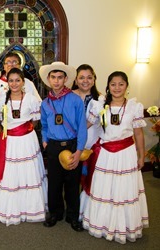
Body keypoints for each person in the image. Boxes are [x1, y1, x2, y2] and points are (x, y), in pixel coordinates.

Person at [81, 71, 149, 244]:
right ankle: (102, 224)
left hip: (126, 153)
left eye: (121, 84)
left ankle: (123, 227)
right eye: (113, 84)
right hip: (106, 154)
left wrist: (142, 156)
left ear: (127, 86)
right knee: (105, 189)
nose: (117, 87)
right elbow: (86, 125)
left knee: (123, 190)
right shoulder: (100, 105)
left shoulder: (134, 107)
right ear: (108, 86)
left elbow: (139, 134)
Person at [0, 68, 47, 226]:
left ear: (23, 82)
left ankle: (29, 209)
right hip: (10, 142)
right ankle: (11, 208)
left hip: (27, 140)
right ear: (7, 83)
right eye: (11, 80)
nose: (14, 83)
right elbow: (0, 121)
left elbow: (34, 121)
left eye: (17, 80)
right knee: (10, 173)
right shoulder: (1, 100)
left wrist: (23, 130)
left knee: (28, 172)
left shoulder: (31, 99)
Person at [39, 61, 87, 232]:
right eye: (53, 77)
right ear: (49, 79)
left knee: (73, 183)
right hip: (53, 146)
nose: (57, 81)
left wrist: (79, 150)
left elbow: (82, 126)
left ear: (66, 79)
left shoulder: (75, 100)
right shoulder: (45, 103)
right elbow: (44, 125)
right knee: (54, 183)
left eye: (60, 77)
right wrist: (45, 141)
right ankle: (55, 213)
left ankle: (73, 216)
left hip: (73, 145)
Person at [71, 64, 103, 219]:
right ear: (76, 80)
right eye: (81, 77)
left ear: (94, 79)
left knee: (92, 179)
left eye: (89, 77)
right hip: (73, 144)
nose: (85, 81)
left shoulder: (101, 99)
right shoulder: (69, 96)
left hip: (93, 145)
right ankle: (75, 210)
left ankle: (90, 213)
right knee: (73, 181)